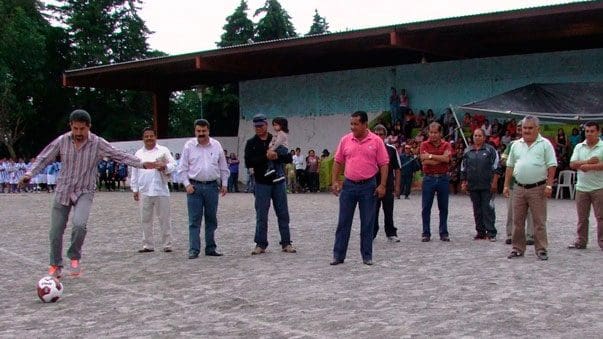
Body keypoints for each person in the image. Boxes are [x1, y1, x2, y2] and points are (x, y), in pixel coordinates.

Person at [18, 109, 159, 279]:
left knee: (79, 225)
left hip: (85, 190)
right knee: (55, 231)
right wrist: (29, 174)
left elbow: (119, 155)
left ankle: (74, 256)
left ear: (89, 127)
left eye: (82, 129)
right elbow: (44, 158)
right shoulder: (62, 141)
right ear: (70, 126)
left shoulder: (98, 143)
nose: (78, 133)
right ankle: (55, 264)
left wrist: (142, 164)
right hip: (63, 190)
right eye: (75, 129)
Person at [330, 111, 389, 266]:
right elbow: (337, 161)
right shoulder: (345, 140)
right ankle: (338, 255)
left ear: (365, 124)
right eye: (351, 124)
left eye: (356, 124)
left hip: (368, 186)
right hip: (349, 186)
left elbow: (384, 164)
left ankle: (367, 255)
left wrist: (382, 185)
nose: (353, 127)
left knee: (367, 222)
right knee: (343, 222)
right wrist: (334, 181)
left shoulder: (376, 141)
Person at [503, 115, 557, 261]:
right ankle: (517, 248)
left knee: (539, 220)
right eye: (524, 128)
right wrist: (506, 185)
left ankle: (541, 249)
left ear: (537, 129)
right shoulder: (515, 145)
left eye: (530, 128)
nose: (526, 131)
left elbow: (552, 166)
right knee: (517, 220)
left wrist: (549, 185)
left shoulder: (545, 144)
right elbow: (510, 166)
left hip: (538, 188)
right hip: (519, 187)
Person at [244, 113, 296, 255]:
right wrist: (265, 157)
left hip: (278, 181)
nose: (259, 128)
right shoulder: (251, 143)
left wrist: (277, 156)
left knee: (283, 213)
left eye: (261, 126)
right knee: (261, 214)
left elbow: (288, 157)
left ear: (266, 125)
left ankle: (286, 242)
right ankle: (260, 244)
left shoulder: (276, 138)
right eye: (256, 126)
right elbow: (248, 161)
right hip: (261, 182)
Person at [177, 119, 229, 259]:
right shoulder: (189, 146)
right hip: (195, 187)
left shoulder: (216, 145)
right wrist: (187, 184)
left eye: (204, 131)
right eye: (198, 131)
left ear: (208, 131)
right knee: (194, 220)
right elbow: (182, 168)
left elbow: (223, 166)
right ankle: (194, 249)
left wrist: (224, 183)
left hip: (212, 186)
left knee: (211, 219)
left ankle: (211, 247)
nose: (201, 134)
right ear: (195, 131)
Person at [130, 127, 177, 253]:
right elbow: (134, 172)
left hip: (161, 189)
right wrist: (135, 189)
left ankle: (167, 244)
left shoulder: (164, 150)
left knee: (164, 219)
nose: (149, 138)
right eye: (146, 136)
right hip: (144, 190)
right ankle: (148, 245)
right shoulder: (138, 154)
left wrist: (165, 166)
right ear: (143, 138)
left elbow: (174, 165)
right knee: (145, 219)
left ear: (156, 137)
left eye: (151, 136)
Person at [460, 128, 501, 241]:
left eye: (479, 135)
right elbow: (463, 168)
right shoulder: (468, 151)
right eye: (475, 135)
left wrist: (495, 182)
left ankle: (491, 232)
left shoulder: (490, 150)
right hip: (473, 185)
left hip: (487, 185)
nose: (477, 137)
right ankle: (480, 232)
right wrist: (464, 181)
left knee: (487, 209)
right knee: (477, 210)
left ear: (484, 137)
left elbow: (497, 167)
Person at [567, 121, 603, 250]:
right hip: (582, 187)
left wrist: (588, 166)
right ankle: (581, 241)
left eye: (592, 131)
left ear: (598, 132)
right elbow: (572, 164)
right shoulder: (579, 147)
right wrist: (588, 162)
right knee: (582, 218)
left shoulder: (602, 146)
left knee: (601, 217)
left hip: (599, 187)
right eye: (587, 131)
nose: (589, 134)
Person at [501, 123, 534, 245]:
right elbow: (503, 159)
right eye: (520, 128)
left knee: (531, 211)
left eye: (526, 127)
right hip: (514, 183)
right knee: (512, 211)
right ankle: (511, 234)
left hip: (532, 183)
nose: (522, 130)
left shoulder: (536, 145)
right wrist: (515, 165)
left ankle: (531, 235)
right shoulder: (512, 145)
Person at [419, 122, 453, 242]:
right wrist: (440, 159)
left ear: (440, 133)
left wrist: (430, 156)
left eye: (435, 133)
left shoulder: (446, 145)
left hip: (443, 178)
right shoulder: (424, 144)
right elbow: (424, 161)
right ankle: (426, 232)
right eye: (431, 132)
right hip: (429, 178)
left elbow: (447, 159)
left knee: (443, 207)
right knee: (426, 207)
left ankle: (443, 232)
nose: (432, 135)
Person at [372, 124, 401, 242]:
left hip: (388, 185)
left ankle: (391, 233)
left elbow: (397, 169)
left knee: (388, 210)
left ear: (385, 135)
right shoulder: (369, 148)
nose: (379, 136)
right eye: (376, 134)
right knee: (373, 211)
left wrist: (397, 186)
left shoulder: (391, 149)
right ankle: (371, 233)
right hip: (372, 185)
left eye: (381, 134)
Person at [264, 117, 289, 183]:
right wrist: (270, 147)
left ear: (282, 125)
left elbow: (277, 143)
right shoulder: (276, 134)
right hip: (279, 148)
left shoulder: (281, 133)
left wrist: (271, 150)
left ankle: (271, 168)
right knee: (277, 162)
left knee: (269, 155)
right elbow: (271, 143)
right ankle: (280, 175)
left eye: (276, 125)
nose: (274, 127)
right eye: (273, 125)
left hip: (282, 149)